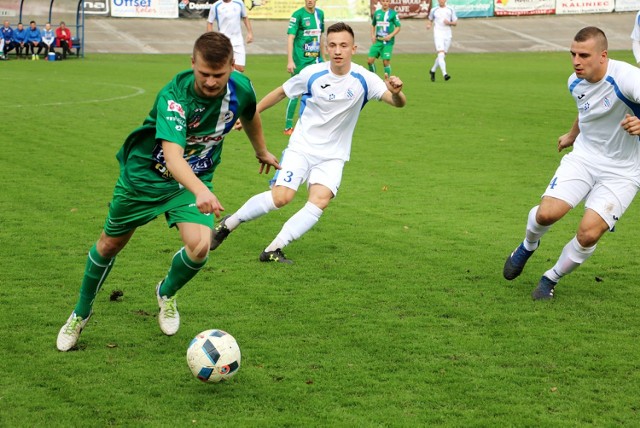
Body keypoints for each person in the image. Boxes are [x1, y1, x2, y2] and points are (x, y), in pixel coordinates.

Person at [55, 32, 281, 352]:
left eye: (219, 75)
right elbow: (173, 156)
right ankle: (80, 313)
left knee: (201, 246)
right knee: (109, 245)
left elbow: (250, 113)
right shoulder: (175, 98)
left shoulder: (241, 87)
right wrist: (201, 190)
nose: (212, 82)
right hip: (146, 177)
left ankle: (166, 292)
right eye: (204, 74)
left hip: (194, 178)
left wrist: (261, 150)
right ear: (192, 64)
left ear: (233, 66)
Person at [209, 22, 406, 264]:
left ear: (353, 48)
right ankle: (230, 223)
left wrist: (396, 92)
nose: (337, 51)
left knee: (320, 200)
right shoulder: (313, 74)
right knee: (281, 198)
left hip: (334, 155)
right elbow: (281, 92)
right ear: (325, 48)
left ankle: (274, 248)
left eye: (343, 45)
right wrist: (251, 112)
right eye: (332, 45)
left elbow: (397, 103)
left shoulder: (365, 78)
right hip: (302, 148)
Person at [503, 27, 640, 300]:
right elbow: (586, 110)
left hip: (624, 171)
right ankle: (528, 245)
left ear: (603, 56)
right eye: (573, 54)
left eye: (584, 55)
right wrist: (572, 134)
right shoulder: (574, 82)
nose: (576, 61)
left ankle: (549, 279)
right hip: (585, 158)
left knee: (589, 234)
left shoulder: (628, 78)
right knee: (546, 214)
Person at [283, 0, 326, 135]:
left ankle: (314, 123)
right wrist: (290, 60)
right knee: (295, 93)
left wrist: (324, 58)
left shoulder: (320, 14)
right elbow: (290, 37)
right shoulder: (298, 15)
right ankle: (288, 126)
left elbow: (321, 36)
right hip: (300, 61)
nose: (310, 1)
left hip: (316, 60)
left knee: (319, 90)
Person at [206, 0, 253, 72]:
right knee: (223, 67)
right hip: (223, 42)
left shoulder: (239, 3)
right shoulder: (216, 6)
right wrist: (211, 39)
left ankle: (229, 71)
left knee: (241, 69)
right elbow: (210, 22)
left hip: (238, 41)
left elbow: (245, 17)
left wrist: (250, 33)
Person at [367, 0, 401, 76]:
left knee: (385, 62)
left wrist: (390, 35)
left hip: (388, 43)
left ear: (389, 2)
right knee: (370, 61)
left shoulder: (393, 13)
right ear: (381, 2)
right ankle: (373, 79)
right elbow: (373, 24)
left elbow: (398, 27)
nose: (385, 3)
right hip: (378, 42)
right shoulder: (377, 13)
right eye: (384, 1)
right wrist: (372, 35)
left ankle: (387, 81)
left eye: (387, 1)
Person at [426, 0, 457, 82]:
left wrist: (449, 22)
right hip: (438, 33)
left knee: (442, 55)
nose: (441, 1)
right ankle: (445, 74)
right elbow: (430, 19)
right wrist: (429, 24)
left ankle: (432, 70)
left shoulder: (450, 9)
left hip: (447, 34)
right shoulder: (434, 10)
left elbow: (455, 23)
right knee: (441, 53)